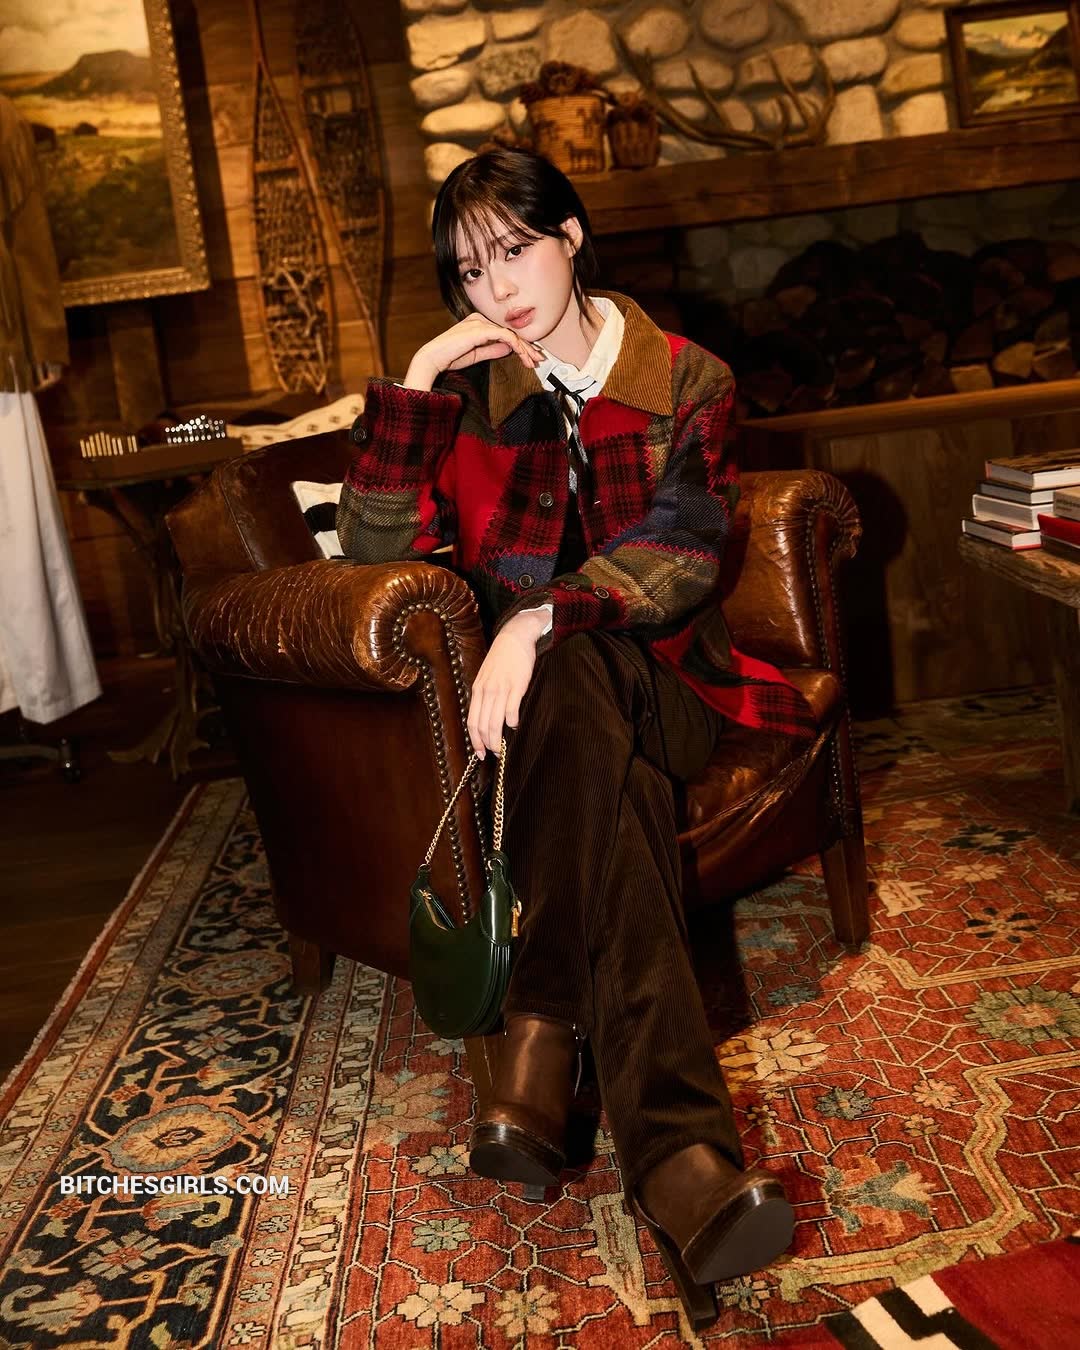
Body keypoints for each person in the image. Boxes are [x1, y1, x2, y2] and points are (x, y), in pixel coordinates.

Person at [338, 147, 817, 1322]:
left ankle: (541, 1030)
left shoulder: (687, 376)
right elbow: (370, 555)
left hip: (673, 686)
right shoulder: (467, 395)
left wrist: (542, 615)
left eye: (515, 250)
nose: (497, 289)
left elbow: (686, 550)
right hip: (539, 736)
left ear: (573, 235)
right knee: (620, 798)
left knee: (585, 663)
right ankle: (687, 1170)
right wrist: (416, 382)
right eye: (469, 271)